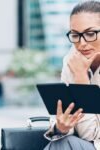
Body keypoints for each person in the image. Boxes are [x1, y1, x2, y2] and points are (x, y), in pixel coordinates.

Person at [44, 1, 100, 150]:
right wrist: (61, 127)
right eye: (75, 35)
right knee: (60, 141)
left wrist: (81, 79)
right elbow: (67, 123)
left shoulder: (77, 68)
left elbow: (91, 136)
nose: (81, 43)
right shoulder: (71, 60)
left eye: (90, 34)